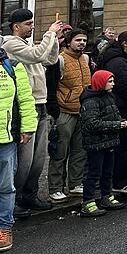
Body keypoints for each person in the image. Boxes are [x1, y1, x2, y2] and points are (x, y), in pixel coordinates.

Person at [3, 10, 61, 218]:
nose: (32, 27)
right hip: (25, 106)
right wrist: (49, 34)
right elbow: (37, 55)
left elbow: (49, 59)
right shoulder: (10, 44)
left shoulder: (27, 44)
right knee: (24, 159)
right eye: (28, 24)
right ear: (15, 26)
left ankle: (31, 194)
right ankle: (16, 198)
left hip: (41, 103)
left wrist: (55, 40)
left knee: (38, 157)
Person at [0, 40, 38, 252]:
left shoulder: (12, 66)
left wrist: (28, 127)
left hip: (5, 138)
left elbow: (25, 99)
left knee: (5, 187)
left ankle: (4, 227)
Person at [48, 29, 91, 202]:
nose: (82, 43)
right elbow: (51, 87)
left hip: (83, 110)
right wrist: (55, 112)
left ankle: (75, 184)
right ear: (68, 42)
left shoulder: (86, 58)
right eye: (78, 40)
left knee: (80, 151)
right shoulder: (60, 60)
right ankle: (55, 188)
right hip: (65, 111)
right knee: (59, 151)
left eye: (84, 40)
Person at [77, 70, 127, 217]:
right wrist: (116, 125)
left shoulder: (109, 96)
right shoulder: (90, 101)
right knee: (94, 173)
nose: (113, 84)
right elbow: (92, 124)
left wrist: (119, 121)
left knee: (107, 172)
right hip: (95, 143)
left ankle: (107, 196)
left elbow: (112, 113)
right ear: (100, 82)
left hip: (108, 141)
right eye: (110, 81)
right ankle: (88, 202)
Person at [97, 30, 127, 195]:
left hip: (120, 106)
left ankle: (125, 178)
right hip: (120, 107)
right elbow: (124, 87)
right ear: (125, 43)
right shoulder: (118, 62)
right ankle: (120, 181)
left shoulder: (120, 59)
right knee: (122, 145)